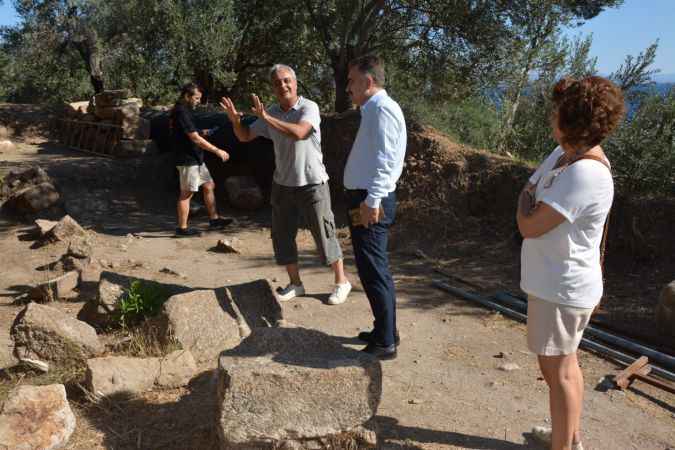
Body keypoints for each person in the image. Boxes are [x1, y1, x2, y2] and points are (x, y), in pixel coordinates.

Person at [517, 76, 625, 450]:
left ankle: (562, 445)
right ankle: (570, 435)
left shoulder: (585, 172)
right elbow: (532, 187)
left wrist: (526, 200)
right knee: (565, 364)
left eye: (557, 110)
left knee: (557, 370)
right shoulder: (565, 155)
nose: (551, 116)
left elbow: (528, 224)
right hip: (555, 284)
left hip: (562, 288)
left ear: (571, 119)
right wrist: (529, 195)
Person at [220, 64, 351, 305]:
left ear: (295, 82)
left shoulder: (308, 107)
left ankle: (341, 282)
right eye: (278, 82)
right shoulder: (270, 111)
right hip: (282, 183)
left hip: (312, 182)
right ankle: (295, 284)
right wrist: (234, 121)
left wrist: (266, 118)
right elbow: (245, 136)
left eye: (286, 80)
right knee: (282, 235)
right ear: (273, 87)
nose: (283, 85)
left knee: (324, 232)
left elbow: (300, 132)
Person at [343, 55, 407, 360]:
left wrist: (372, 201)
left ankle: (385, 342)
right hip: (367, 198)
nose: (348, 87)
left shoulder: (382, 110)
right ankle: (386, 330)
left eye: (352, 81)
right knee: (373, 269)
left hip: (371, 200)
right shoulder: (374, 110)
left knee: (374, 270)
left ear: (368, 82)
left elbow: (386, 161)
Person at [170, 83, 232, 237]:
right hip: (187, 158)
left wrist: (203, 131)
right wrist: (217, 150)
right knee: (187, 193)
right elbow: (194, 138)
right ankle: (182, 229)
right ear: (187, 96)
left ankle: (214, 220)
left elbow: (191, 131)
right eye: (196, 98)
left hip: (196, 157)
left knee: (209, 185)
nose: (198, 101)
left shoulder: (187, 111)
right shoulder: (181, 111)